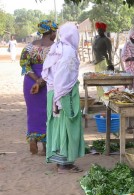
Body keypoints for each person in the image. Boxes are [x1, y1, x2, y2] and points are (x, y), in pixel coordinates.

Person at [36, 23, 85, 173]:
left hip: (54, 93)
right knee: (66, 127)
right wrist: (58, 100)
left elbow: (48, 73)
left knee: (58, 127)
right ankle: (64, 165)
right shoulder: (68, 51)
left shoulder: (57, 48)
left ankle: (62, 162)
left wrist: (55, 98)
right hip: (63, 95)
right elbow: (62, 78)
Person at [20, 20, 58, 155]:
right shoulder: (55, 47)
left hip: (30, 83)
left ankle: (33, 139)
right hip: (48, 82)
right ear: (52, 32)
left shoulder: (29, 47)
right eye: (55, 31)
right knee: (48, 112)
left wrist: (36, 80)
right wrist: (42, 80)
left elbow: (25, 66)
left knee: (33, 112)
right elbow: (55, 67)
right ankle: (46, 146)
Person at [92, 22, 114, 99]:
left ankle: (106, 98)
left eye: (101, 30)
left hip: (103, 63)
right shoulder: (95, 38)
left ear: (104, 30)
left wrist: (110, 64)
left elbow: (110, 52)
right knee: (98, 82)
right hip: (97, 63)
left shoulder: (106, 40)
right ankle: (100, 98)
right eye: (98, 30)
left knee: (104, 83)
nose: (99, 31)